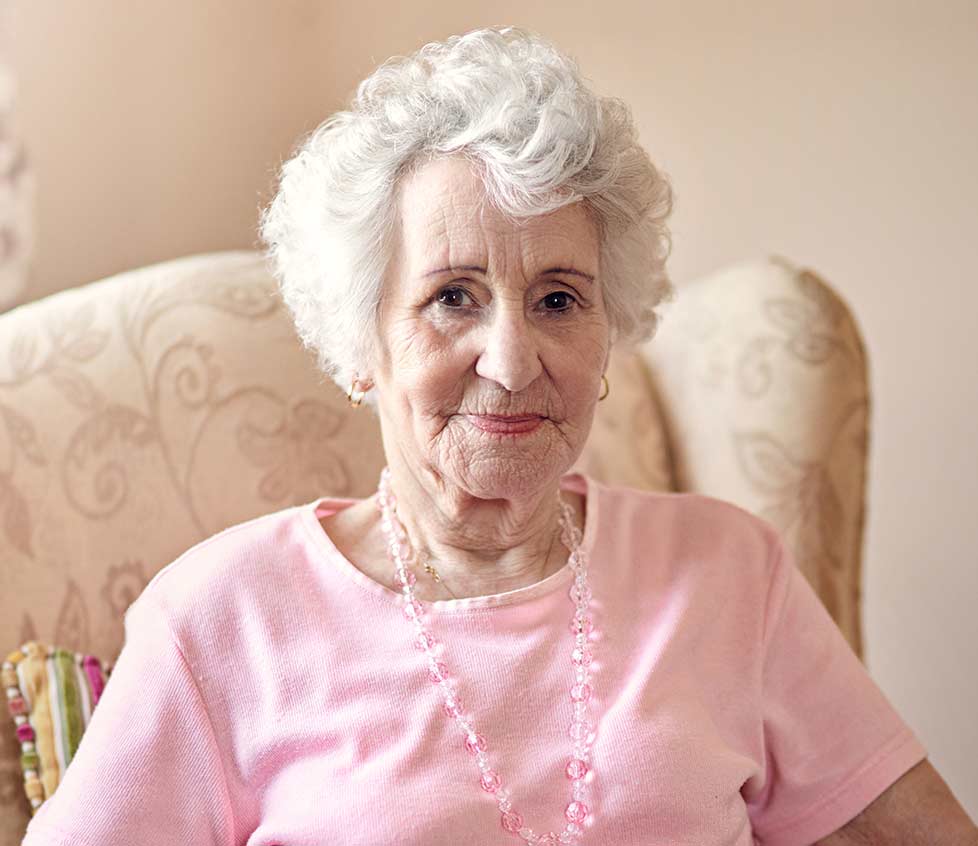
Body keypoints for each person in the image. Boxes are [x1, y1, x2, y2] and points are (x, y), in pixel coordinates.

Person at [21, 26, 976, 846]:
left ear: (610, 335)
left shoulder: (730, 574)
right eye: (452, 298)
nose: (513, 362)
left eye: (559, 299)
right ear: (363, 343)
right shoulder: (219, 621)